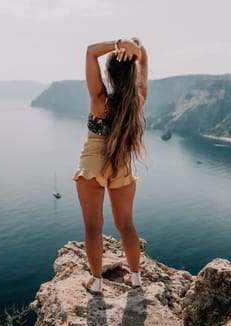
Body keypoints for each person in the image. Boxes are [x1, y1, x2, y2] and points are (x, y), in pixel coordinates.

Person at [72, 38, 148, 294]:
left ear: (107, 73)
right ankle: (135, 278)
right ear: (132, 73)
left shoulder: (99, 99)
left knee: (94, 226)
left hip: (93, 163)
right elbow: (144, 62)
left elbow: (90, 51)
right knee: (126, 225)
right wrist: (138, 50)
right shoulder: (136, 100)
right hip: (121, 164)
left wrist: (119, 43)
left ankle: (96, 281)